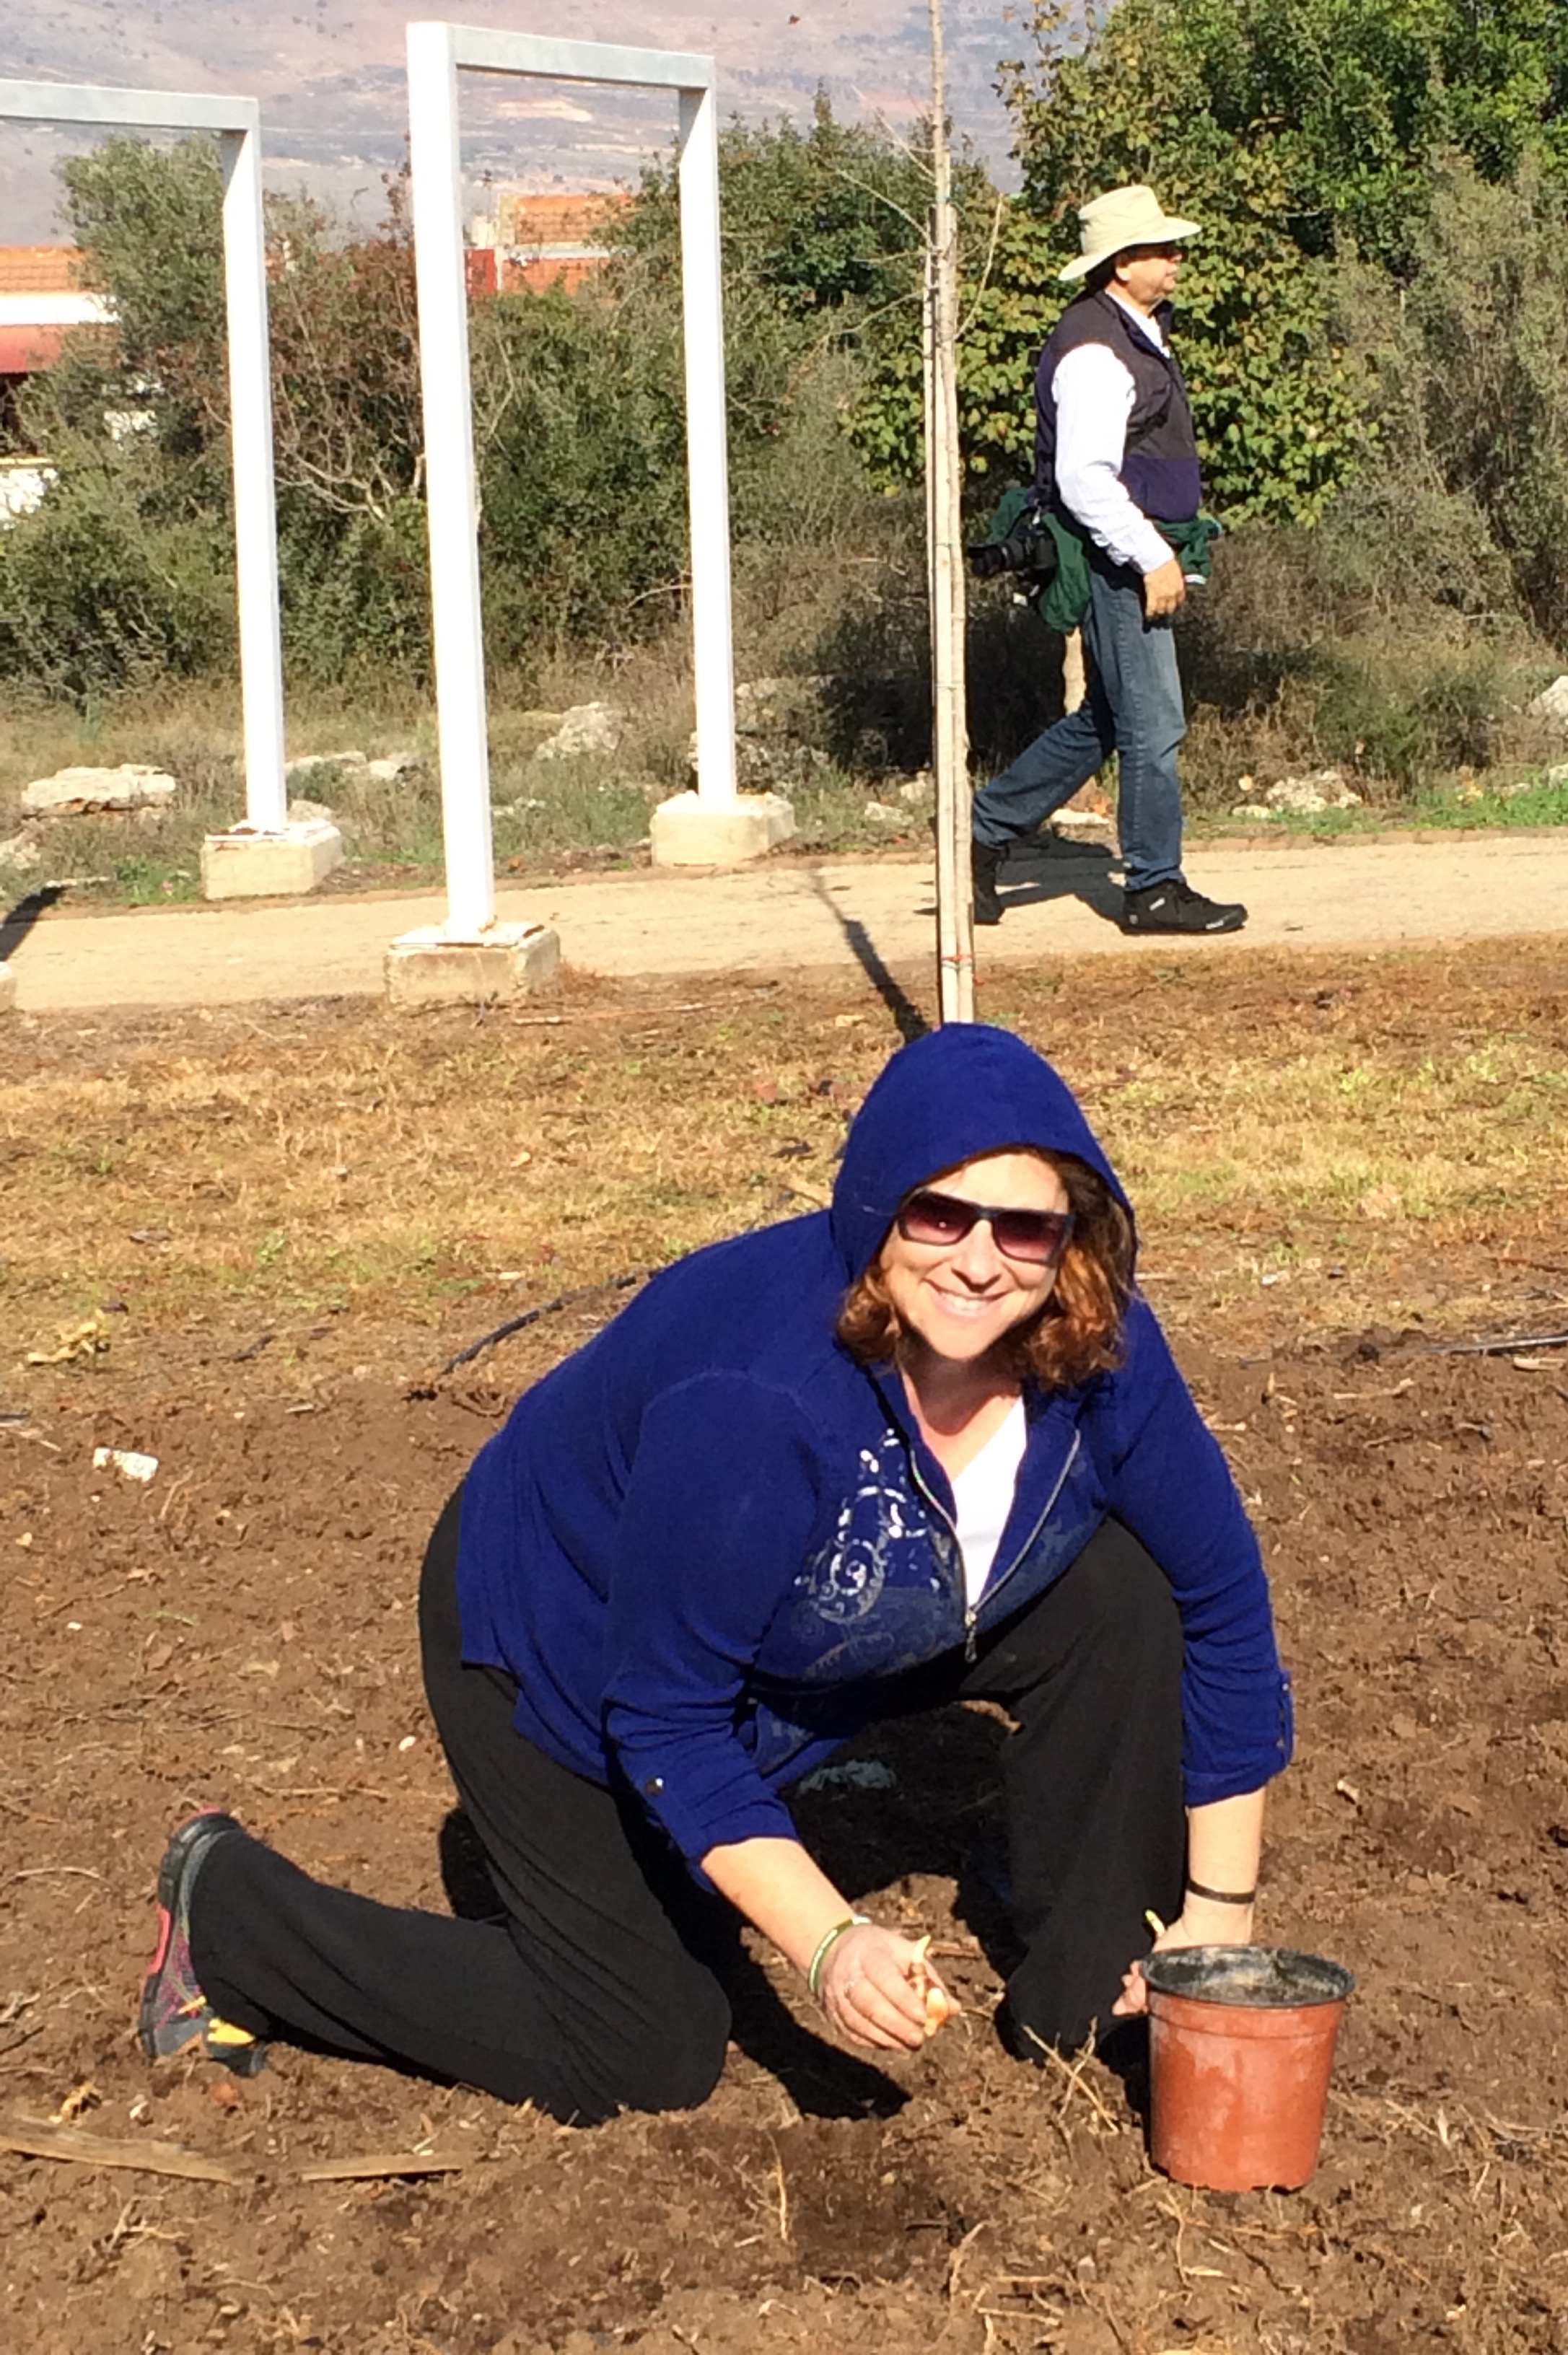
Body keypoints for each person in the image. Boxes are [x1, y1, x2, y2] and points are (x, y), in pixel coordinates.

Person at [139, 1025, 1292, 2122]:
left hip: (847, 1605)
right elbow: (667, 1714)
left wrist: (1218, 1915)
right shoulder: (757, 1400)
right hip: (568, 1643)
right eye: (940, 1214)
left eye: (1024, 1229)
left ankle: (1096, 1997)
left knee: (1124, 1601)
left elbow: (1225, 1609)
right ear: (876, 1207)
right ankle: (235, 1920)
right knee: (645, 2046)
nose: (980, 1264)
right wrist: (831, 1942)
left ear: (1072, 1238)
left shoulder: (1097, 1350)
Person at [972, 185, 1248, 938]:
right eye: (1162, 250)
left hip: (1127, 547)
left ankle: (987, 827)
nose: (1177, 259)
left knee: (1108, 717)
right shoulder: (1097, 350)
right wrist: (1154, 557)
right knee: (1154, 722)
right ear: (1122, 265)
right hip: (1116, 554)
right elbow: (1085, 479)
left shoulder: (1134, 330)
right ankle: (1154, 888)